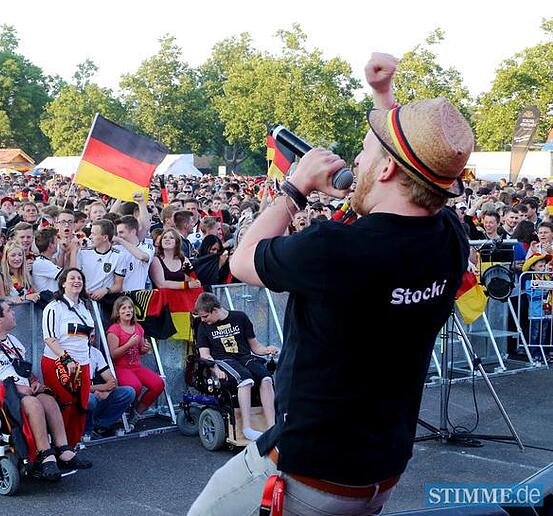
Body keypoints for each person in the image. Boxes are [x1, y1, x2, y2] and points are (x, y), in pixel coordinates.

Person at [191, 53, 472, 515]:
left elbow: (242, 260)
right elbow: (421, 179)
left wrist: (294, 187)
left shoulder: (333, 248)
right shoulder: (449, 240)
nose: (355, 160)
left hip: (306, 474)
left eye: (364, 153)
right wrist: (385, 98)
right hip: (379, 474)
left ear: (385, 171)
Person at [0, 300, 90, 479]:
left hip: (21, 391)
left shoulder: (13, 342)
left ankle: (63, 450)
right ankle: (44, 455)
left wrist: (33, 382)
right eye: (9, 311)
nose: (14, 314)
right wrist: (17, 388)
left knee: (48, 400)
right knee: (33, 403)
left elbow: (24, 371)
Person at [194, 293, 278, 442]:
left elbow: (255, 346)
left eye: (205, 316)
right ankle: (247, 428)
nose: (203, 320)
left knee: (266, 378)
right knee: (246, 380)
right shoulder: (203, 327)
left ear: (215, 309)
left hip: (244, 356)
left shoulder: (240, 317)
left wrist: (267, 350)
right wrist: (216, 370)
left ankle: (272, 426)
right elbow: (205, 355)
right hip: (222, 360)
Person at [40, 268, 95, 453]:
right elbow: (49, 338)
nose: (76, 281)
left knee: (81, 406)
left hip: (83, 363)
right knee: (64, 406)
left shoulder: (85, 307)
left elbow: (88, 335)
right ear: (63, 283)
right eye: (72, 278)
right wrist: (66, 358)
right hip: (59, 363)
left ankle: (73, 446)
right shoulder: (54, 307)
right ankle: (58, 448)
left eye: (80, 278)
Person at [105, 296, 164, 422]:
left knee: (158, 384)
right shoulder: (114, 329)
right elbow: (113, 354)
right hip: (121, 368)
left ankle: (136, 413)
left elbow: (141, 350)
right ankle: (127, 409)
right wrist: (128, 345)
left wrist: (145, 348)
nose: (128, 311)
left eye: (130, 308)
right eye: (124, 308)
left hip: (136, 366)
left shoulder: (138, 327)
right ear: (118, 312)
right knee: (135, 386)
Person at [85, 343, 135, 439]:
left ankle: (100, 427)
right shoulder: (68, 353)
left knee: (128, 392)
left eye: (92, 336)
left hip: (96, 395)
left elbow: (113, 381)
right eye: (87, 335)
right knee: (89, 399)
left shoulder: (95, 352)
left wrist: (107, 392)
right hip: (78, 399)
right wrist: (103, 387)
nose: (89, 339)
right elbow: (77, 388)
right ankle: (86, 431)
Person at [76, 219, 126, 300]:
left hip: (105, 300)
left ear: (105, 237)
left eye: (93, 234)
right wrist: (83, 290)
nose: (90, 237)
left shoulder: (119, 256)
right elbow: (75, 275)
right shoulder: (82, 253)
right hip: (83, 297)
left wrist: (105, 290)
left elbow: (118, 286)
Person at [0, 240, 40, 304]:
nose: (17, 258)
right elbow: (1, 299)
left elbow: (36, 293)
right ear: (6, 257)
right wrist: (24, 298)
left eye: (20, 255)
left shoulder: (26, 275)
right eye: (13, 255)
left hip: (29, 312)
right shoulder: (0, 276)